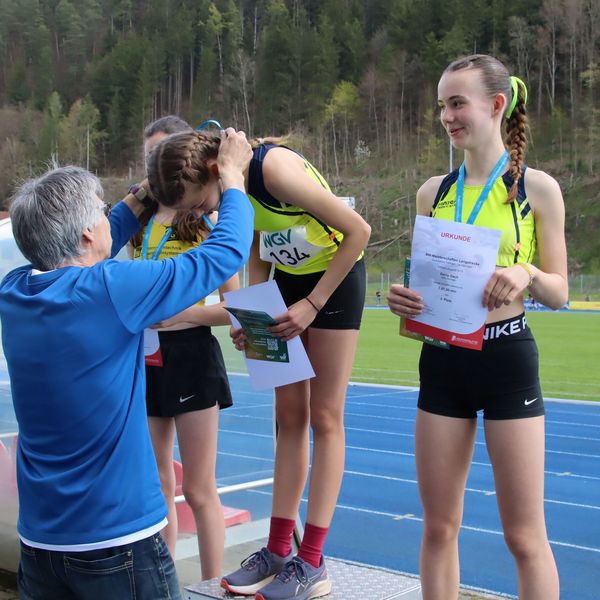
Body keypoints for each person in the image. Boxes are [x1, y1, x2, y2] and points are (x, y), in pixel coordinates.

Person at [0, 128, 253, 600]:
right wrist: (233, 177)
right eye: (101, 210)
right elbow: (223, 255)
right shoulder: (111, 287)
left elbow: (89, 242)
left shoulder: (14, 292)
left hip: (41, 542)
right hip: (117, 543)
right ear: (85, 233)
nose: (108, 216)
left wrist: (146, 191)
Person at [146, 131, 371, 600]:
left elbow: (358, 232)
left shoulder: (273, 170)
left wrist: (312, 304)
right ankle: (277, 550)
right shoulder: (233, 184)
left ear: (214, 172)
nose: (200, 215)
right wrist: (253, 312)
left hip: (333, 283)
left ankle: (312, 560)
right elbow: (256, 242)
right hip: (286, 282)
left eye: (198, 204)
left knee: (324, 416)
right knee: (288, 416)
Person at [388, 54, 567, 600]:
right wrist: (404, 301)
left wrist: (526, 272)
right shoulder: (432, 192)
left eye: (457, 103)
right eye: (442, 105)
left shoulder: (537, 189)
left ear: (496, 105)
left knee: (524, 537)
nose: (447, 116)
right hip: (443, 363)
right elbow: (426, 291)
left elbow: (559, 291)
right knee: (439, 527)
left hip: (507, 360)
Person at [129, 116, 238, 580]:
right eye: (149, 158)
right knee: (157, 482)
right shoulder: (136, 223)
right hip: (146, 358)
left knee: (198, 488)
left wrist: (185, 315)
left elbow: (238, 308)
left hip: (192, 357)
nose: (157, 169)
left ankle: (213, 584)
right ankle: (165, 580)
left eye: (163, 155)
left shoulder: (204, 219)